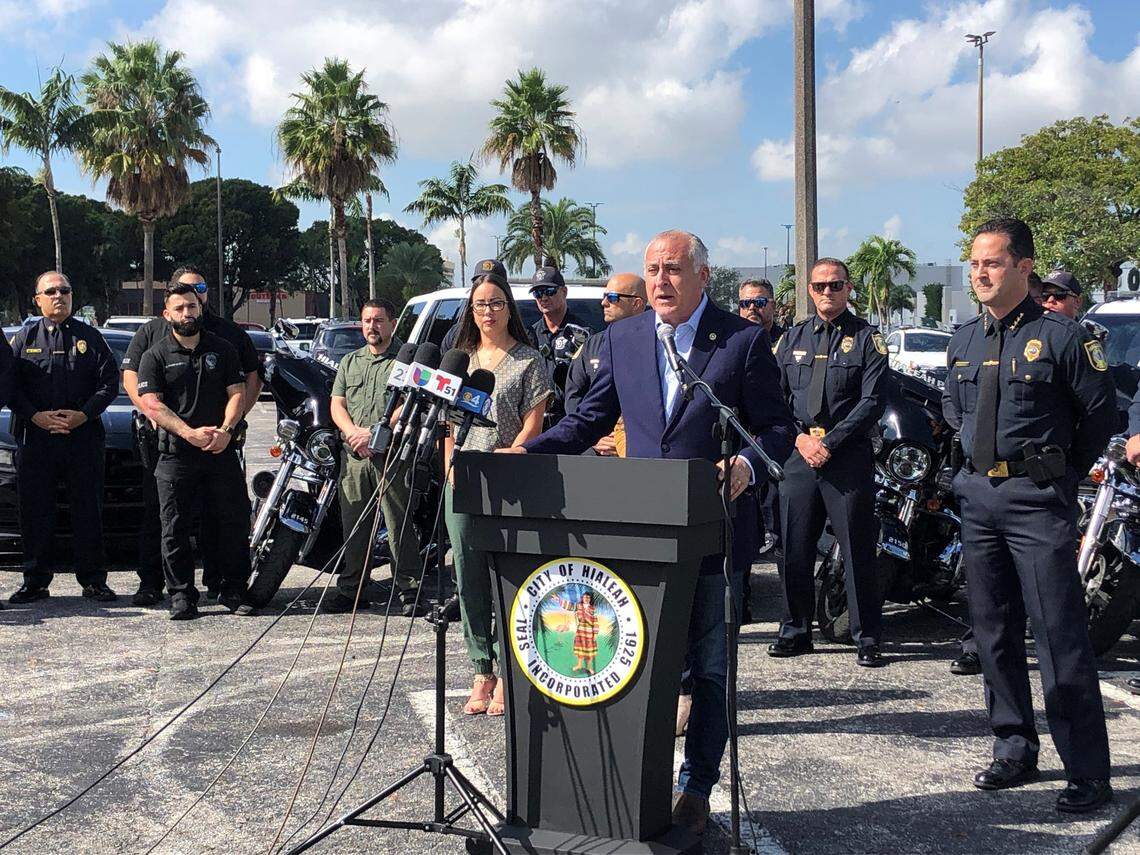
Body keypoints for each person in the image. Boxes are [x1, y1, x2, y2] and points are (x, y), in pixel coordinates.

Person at [505, 230, 795, 836]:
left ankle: (696, 789)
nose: (660, 281)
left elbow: (775, 427)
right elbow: (589, 419)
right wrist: (530, 450)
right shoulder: (623, 337)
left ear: (701, 277)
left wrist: (742, 466)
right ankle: (631, 788)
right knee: (643, 667)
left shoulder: (741, 342)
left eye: (673, 270)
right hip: (640, 538)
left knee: (710, 669)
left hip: (714, 534)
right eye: (652, 270)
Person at [944, 217, 1114, 813]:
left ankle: (1088, 769)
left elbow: (1099, 417)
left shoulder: (1063, 337)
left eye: (991, 262)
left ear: (1023, 267)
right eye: (973, 263)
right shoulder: (963, 339)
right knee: (992, 633)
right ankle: (1013, 746)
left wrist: (1060, 479)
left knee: (1059, 636)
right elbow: (954, 410)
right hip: (979, 502)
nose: (979, 273)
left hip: (1037, 504)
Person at [445, 259, 553, 718]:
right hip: (464, 478)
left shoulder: (529, 361)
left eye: (495, 303)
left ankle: (512, 669)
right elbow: (445, 425)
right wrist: (450, 463)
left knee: (509, 576)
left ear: (510, 308)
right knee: (469, 575)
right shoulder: (460, 362)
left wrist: (517, 452)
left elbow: (535, 422)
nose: (487, 312)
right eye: (479, 305)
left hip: (511, 479)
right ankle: (481, 667)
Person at [769, 257, 889, 667]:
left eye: (835, 285)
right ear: (809, 289)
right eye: (820, 286)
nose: (827, 293)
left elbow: (872, 401)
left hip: (846, 457)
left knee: (856, 548)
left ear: (848, 288)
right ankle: (795, 630)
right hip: (800, 455)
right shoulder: (791, 339)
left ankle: (867, 636)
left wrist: (830, 442)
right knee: (793, 547)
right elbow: (776, 400)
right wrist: (802, 439)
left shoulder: (868, 339)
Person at [121, 265, 261, 606]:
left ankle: (226, 585)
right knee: (165, 521)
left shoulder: (226, 337)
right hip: (170, 447)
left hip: (219, 445)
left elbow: (247, 384)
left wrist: (229, 428)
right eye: (183, 294)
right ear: (168, 305)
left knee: (227, 519)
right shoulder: (153, 337)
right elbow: (132, 379)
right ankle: (158, 586)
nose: (190, 301)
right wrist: (162, 421)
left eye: (198, 290)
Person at [7, 273, 118, 605]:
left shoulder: (90, 337)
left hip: (81, 437)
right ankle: (35, 580)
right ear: (37, 299)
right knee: (36, 510)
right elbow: (9, 386)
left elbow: (109, 382)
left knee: (88, 510)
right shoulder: (23, 338)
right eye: (51, 291)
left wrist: (83, 414)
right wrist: (35, 416)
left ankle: (94, 580)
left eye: (65, 290)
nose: (59, 295)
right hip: (35, 437)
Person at [329, 299, 424, 616]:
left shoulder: (406, 362)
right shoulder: (350, 362)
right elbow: (337, 404)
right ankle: (352, 589)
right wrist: (353, 433)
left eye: (379, 320)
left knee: (398, 525)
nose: (372, 326)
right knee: (355, 526)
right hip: (354, 457)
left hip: (392, 455)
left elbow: (411, 403)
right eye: (367, 320)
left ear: (392, 324)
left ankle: (409, 588)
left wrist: (375, 432)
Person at [563, 272, 647, 455]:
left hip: (640, 451)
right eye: (604, 296)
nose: (604, 303)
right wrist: (592, 436)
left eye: (613, 297)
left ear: (637, 304)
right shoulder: (592, 345)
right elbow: (574, 395)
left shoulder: (658, 344)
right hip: (597, 452)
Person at [529, 266, 589, 427]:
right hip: (536, 423)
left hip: (572, 421)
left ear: (564, 291)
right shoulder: (529, 335)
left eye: (549, 291)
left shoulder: (583, 333)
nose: (543, 297)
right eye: (538, 293)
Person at [738, 278, 784, 343]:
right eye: (746, 303)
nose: (752, 307)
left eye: (759, 302)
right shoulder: (728, 341)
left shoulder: (786, 342)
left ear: (773, 306)